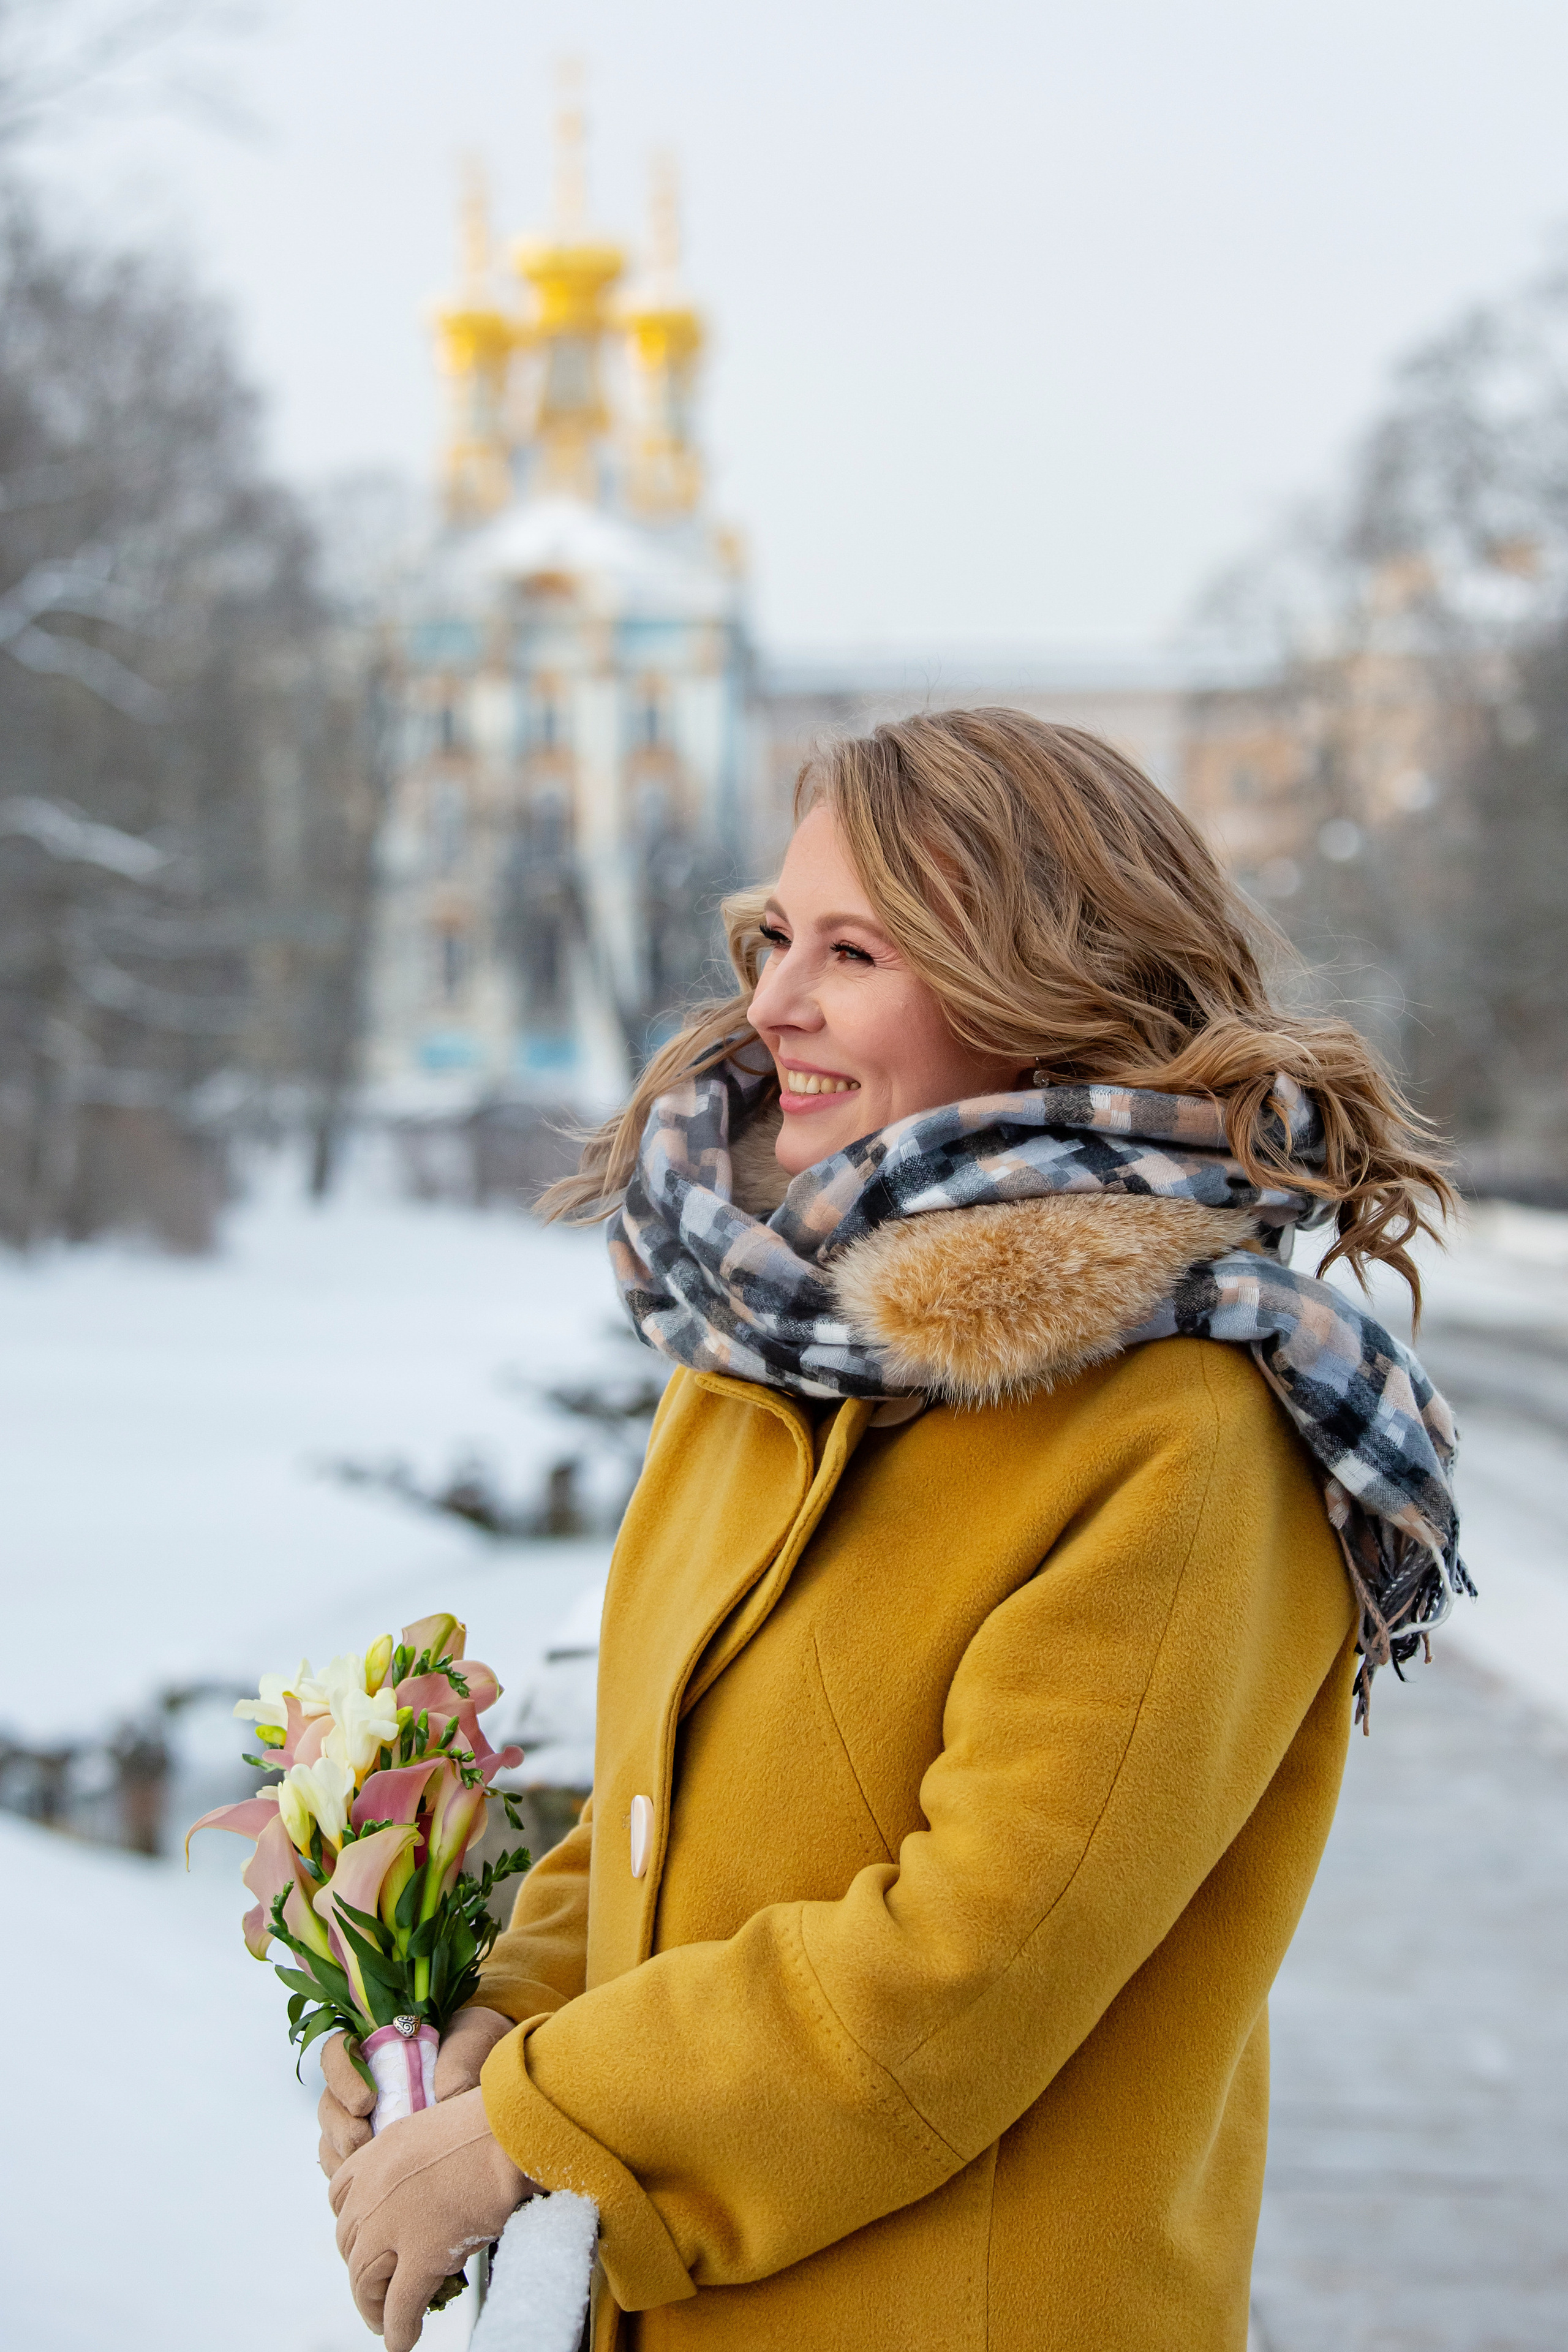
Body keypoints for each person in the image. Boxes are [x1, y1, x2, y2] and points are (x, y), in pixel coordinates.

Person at [320, 710, 1464, 2352]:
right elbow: (659, 1811)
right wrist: (489, 2026)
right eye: (777, 935)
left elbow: (966, 1971)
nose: (773, 998)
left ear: (1036, 985)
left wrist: (528, 2133)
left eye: (853, 951)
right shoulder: (763, 1359)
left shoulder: (1190, 1430)